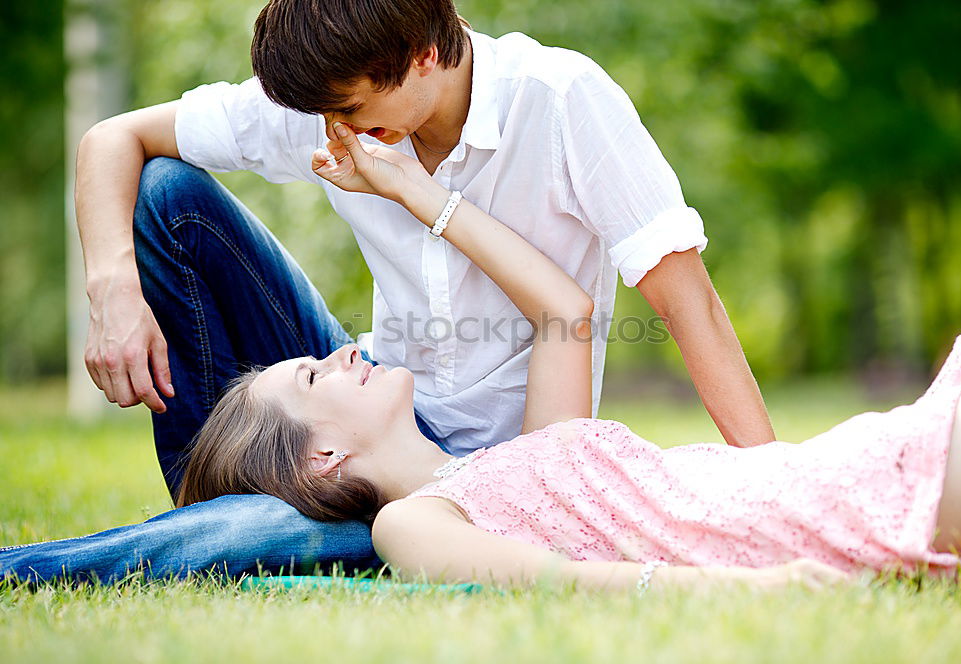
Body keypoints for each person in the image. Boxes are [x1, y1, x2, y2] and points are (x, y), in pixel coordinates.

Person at [3, 0, 772, 581]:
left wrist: (772, 490)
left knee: (294, 533)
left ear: (425, 54)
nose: (331, 129)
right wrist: (112, 291)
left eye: (350, 110)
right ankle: (212, 507)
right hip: (367, 397)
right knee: (169, 193)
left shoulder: (564, 100)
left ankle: (215, 529)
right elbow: (113, 139)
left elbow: (686, 303)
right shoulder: (329, 102)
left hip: (477, 469)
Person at [174, 123, 961, 592]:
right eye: (314, 375)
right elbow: (573, 584)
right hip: (814, 517)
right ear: (323, 458)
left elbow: (564, 307)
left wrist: (411, 190)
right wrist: (757, 589)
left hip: (831, 470)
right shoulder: (409, 523)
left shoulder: (509, 456)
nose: (343, 350)